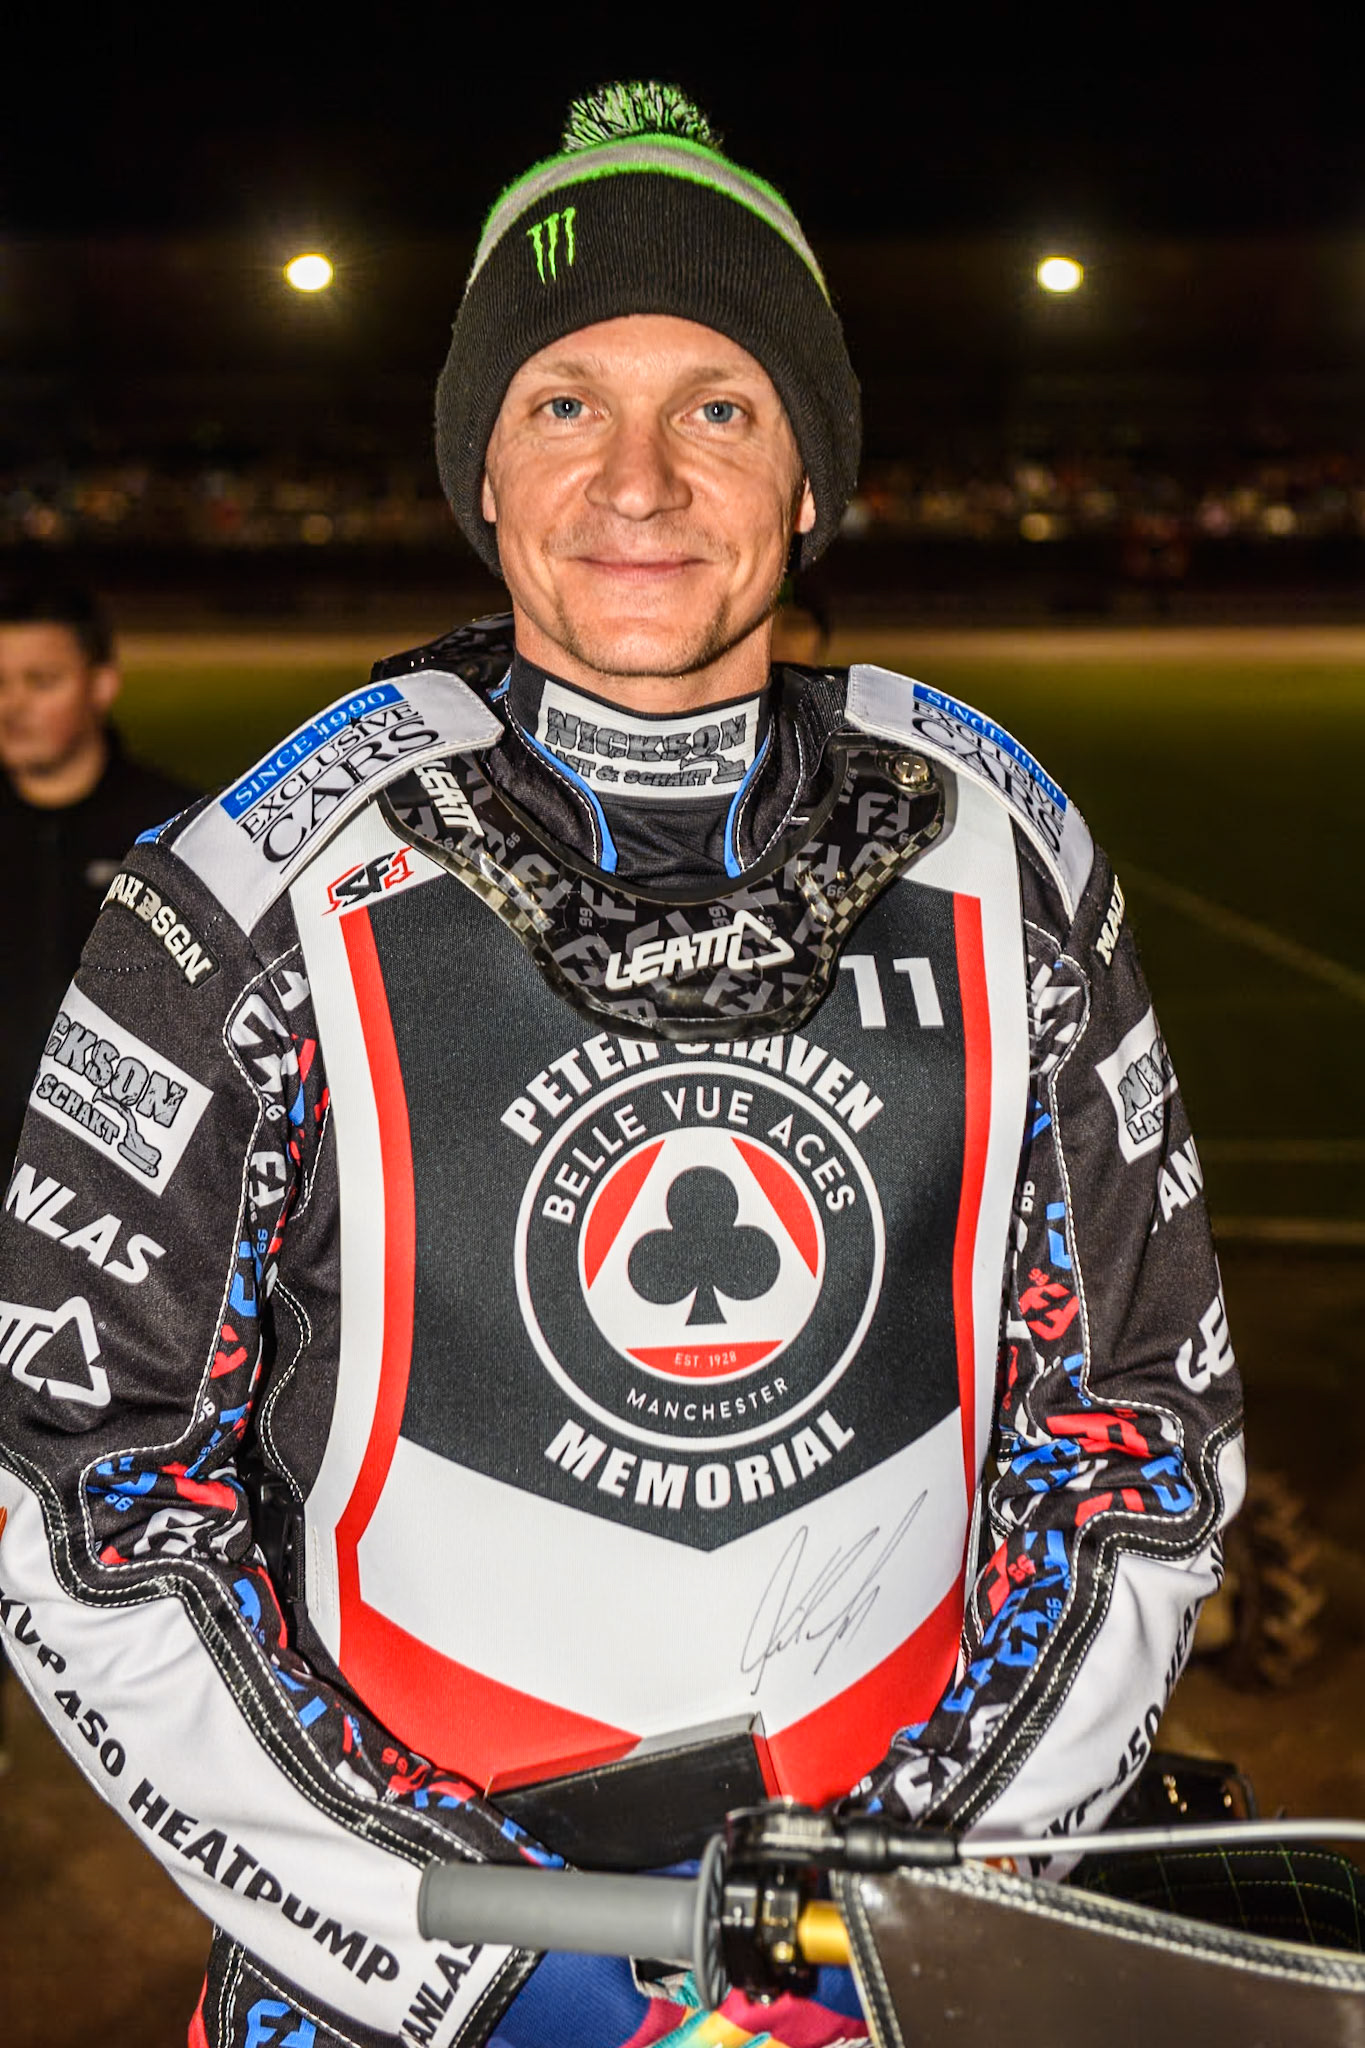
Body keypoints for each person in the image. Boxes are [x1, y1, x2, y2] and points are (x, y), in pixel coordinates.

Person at [0, 84, 1244, 2048]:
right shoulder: (247, 892)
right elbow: (78, 1484)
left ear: (812, 481)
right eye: (564, 401)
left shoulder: (1006, 849)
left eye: (721, 406)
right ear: (479, 473)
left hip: (882, 1967)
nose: (641, 479)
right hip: (392, 1983)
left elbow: (1140, 1443)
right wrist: (456, 1950)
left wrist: (931, 1891)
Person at [0, 578, 199, 1168]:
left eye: (42, 682)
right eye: (0, 683)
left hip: (112, 1184)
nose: (12, 707)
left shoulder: (173, 832)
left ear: (101, 684)